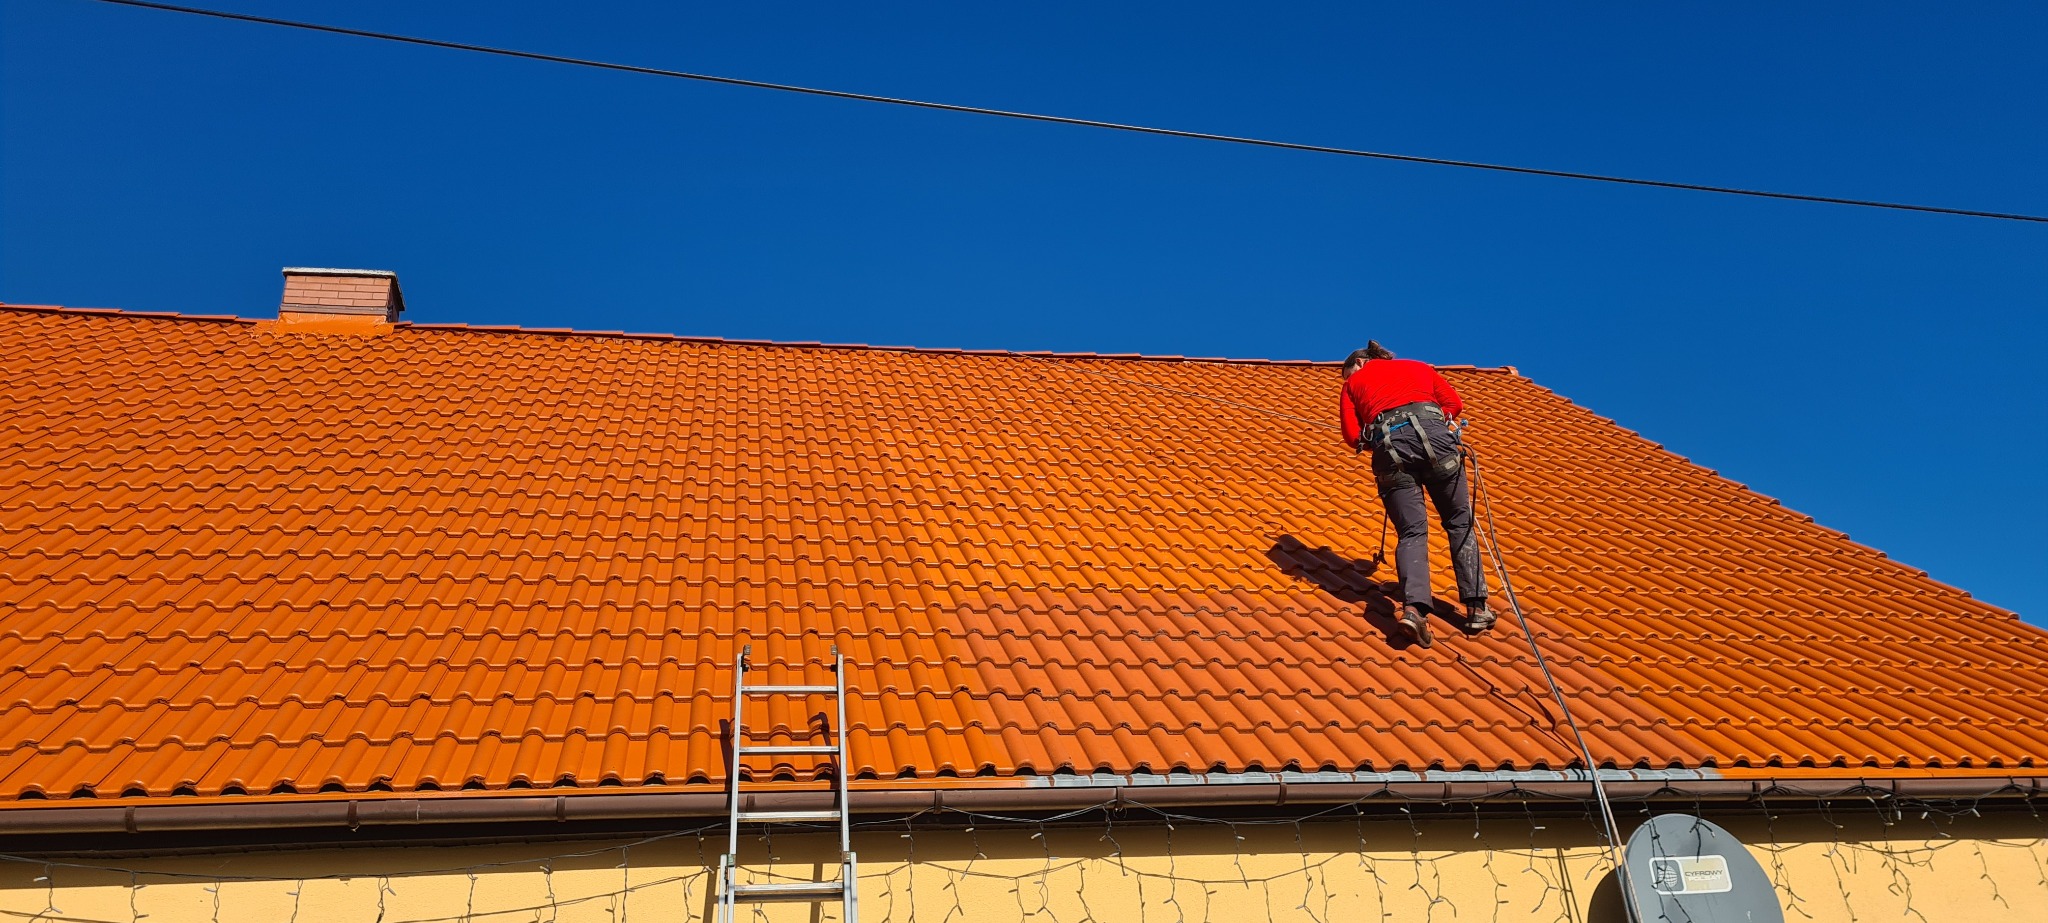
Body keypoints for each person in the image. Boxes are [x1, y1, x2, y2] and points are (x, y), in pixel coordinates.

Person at [1339, 341, 1493, 648]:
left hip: (1392, 453)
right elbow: (1453, 404)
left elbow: (1352, 436)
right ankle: (1476, 607)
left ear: (1358, 365)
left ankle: (1415, 611)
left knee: (1411, 532)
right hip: (1437, 442)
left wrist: (1379, 439)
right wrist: (1433, 421)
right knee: (1459, 522)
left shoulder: (1354, 383)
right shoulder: (1420, 367)